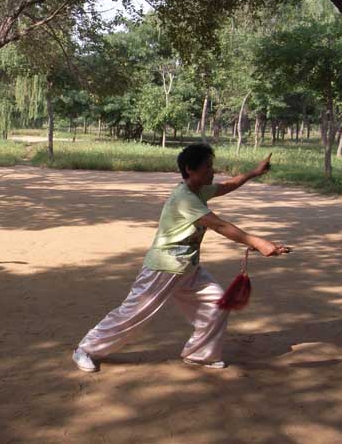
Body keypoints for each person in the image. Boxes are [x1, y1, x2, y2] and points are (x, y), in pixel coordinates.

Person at [72, 143, 290, 372]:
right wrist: (258, 242)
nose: (212, 171)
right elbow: (218, 225)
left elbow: (228, 185)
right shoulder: (184, 198)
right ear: (190, 169)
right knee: (134, 313)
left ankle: (199, 354)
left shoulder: (198, 190)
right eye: (207, 167)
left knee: (217, 304)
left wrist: (255, 172)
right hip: (164, 267)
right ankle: (85, 349)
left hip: (188, 268)